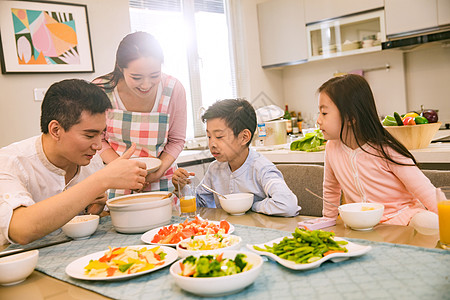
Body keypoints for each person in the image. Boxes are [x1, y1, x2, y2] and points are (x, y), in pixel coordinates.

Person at [0, 79, 148, 245]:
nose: (98, 145)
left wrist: (92, 212)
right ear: (56, 130)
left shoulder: (90, 161)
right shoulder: (10, 162)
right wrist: (102, 180)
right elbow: (20, 230)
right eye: (89, 135)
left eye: (101, 134)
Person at [317, 74, 438, 227]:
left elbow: (425, 191)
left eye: (324, 113)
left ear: (351, 117)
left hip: (402, 217)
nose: (318, 120)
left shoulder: (385, 148)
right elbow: (330, 188)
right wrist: (328, 220)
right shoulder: (331, 148)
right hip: (362, 223)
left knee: (429, 222)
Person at [94, 32, 187, 197]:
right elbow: (97, 139)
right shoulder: (101, 90)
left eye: (154, 75)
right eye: (136, 77)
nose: (146, 85)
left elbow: (176, 140)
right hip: (117, 180)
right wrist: (123, 169)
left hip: (161, 180)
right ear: (121, 68)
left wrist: (157, 173)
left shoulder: (173, 89)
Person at [172, 99, 300, 217]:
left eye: (219, 136)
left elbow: (287, 205)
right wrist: (182, 187)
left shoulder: (261, 169)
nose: (212, 144)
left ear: (244, 137)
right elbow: (200, 204)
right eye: (209, 136)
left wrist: (251, 206)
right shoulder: (215, 169)